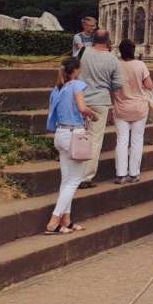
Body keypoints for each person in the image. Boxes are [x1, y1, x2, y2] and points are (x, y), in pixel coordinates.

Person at [44, 57, 98, 234]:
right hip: (74, 134)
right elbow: (82, 108)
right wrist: (92, 114)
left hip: (60, 134)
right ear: (76, 70)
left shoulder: (58, 88)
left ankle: (66, 219)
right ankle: (54, 220)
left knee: (66, 180)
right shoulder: (76, 85)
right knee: (75, 180)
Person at [78, 30, 124, 188]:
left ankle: (74, 172)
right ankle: (86, 176)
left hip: (80, 99)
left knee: (78, 135)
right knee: (95, 139)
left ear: (93, 39)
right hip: (101, 101)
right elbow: (118, 84)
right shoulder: (112, 59)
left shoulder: (83, 52)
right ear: (108, 41)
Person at [111, 39, 153, 184]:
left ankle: (121, 174)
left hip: (121, 107)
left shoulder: (116, 65)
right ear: (133, 50)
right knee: (137, 141)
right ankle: (134, 173)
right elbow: (149, 85)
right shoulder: (140, 65)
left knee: (122, 141)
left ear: (120, 51)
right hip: (139, 108)